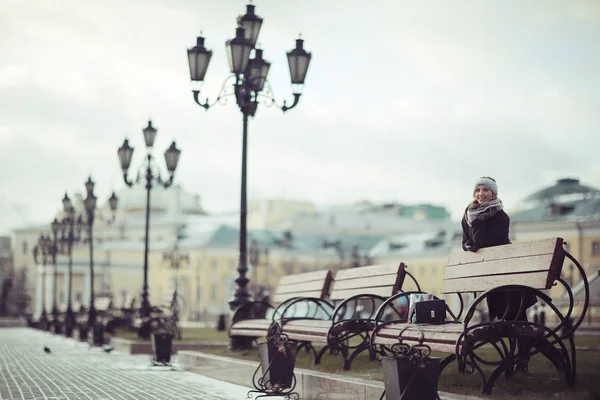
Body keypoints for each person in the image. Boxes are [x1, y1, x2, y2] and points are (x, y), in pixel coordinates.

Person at [461, 177, 535, 373]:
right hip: (491, 275)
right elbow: (467, 242)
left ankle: (523, 362)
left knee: (518, 320)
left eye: (486, 190)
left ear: (493, 193)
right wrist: (470, 242)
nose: (481, 194)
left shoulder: (500, 217)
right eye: (478, 189)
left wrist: (477, 225)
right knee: (508, 320)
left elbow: (481, 243)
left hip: (507, 274)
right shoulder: (469, 214)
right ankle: (516, 361)